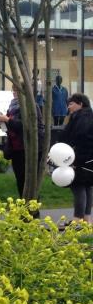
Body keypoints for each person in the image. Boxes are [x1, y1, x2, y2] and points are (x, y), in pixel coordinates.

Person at [0, 86, 45, 205]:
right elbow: (12, 128)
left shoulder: (31, 106)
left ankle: (33, 210)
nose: (14, 93)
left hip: (29, 149)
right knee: (20, 181)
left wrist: (7, 120)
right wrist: (2, 123)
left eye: (17, 91)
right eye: (13, 90)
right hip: (16, 149)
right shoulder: (12, 106)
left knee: (30, 183)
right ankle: (24, 208)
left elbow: (27, 127)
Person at [59, 93, 93, 223]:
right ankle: (86, 219)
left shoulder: (81, 118)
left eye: (71, 104)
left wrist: (74, 159)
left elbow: (79, 138)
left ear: (81, 104)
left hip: (80, 158)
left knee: (78, 185)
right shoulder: (89, 115)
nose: (68, 107)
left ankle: (77, 220)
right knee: (88, 187)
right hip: (89, 158)